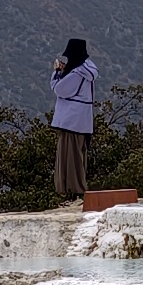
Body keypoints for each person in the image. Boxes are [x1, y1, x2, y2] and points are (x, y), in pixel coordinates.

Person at [49, 37, 98, 200]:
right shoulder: (87, 69)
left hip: (71, 121)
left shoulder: (77, 73)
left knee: (69, 157)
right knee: (78, 156)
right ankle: (75, 190)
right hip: (82, 121)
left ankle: (74, 191)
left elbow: (60, 89)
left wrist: (57, 73)